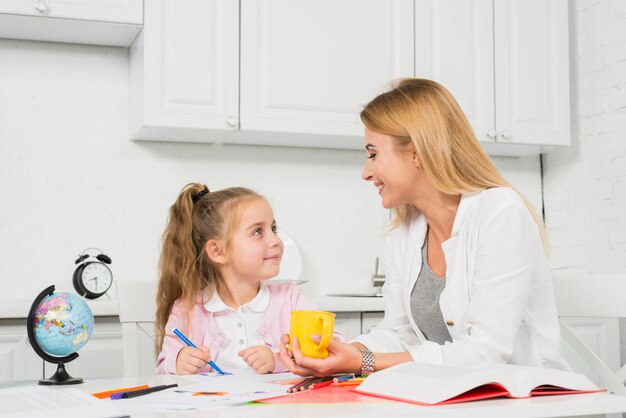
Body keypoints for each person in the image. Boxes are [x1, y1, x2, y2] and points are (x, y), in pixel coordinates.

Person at [278, 78, 570, 378]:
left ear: (415, 152)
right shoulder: (403, 232)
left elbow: (486, 352)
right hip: (452, 396)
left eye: (373, 154)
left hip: (526, 398)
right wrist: (335, 353)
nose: (366, 173)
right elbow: (398, 333)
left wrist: (362, 363)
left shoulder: (499, 212)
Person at [155, 183, 345, 375]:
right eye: (257, 232)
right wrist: (178, 361)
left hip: (279, 405)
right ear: (218, 251)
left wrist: (278, 358)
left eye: (273, 228)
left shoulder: (290, 298)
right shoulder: (187, 308)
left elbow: (336, 348)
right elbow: (162, 370)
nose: (276, 241)